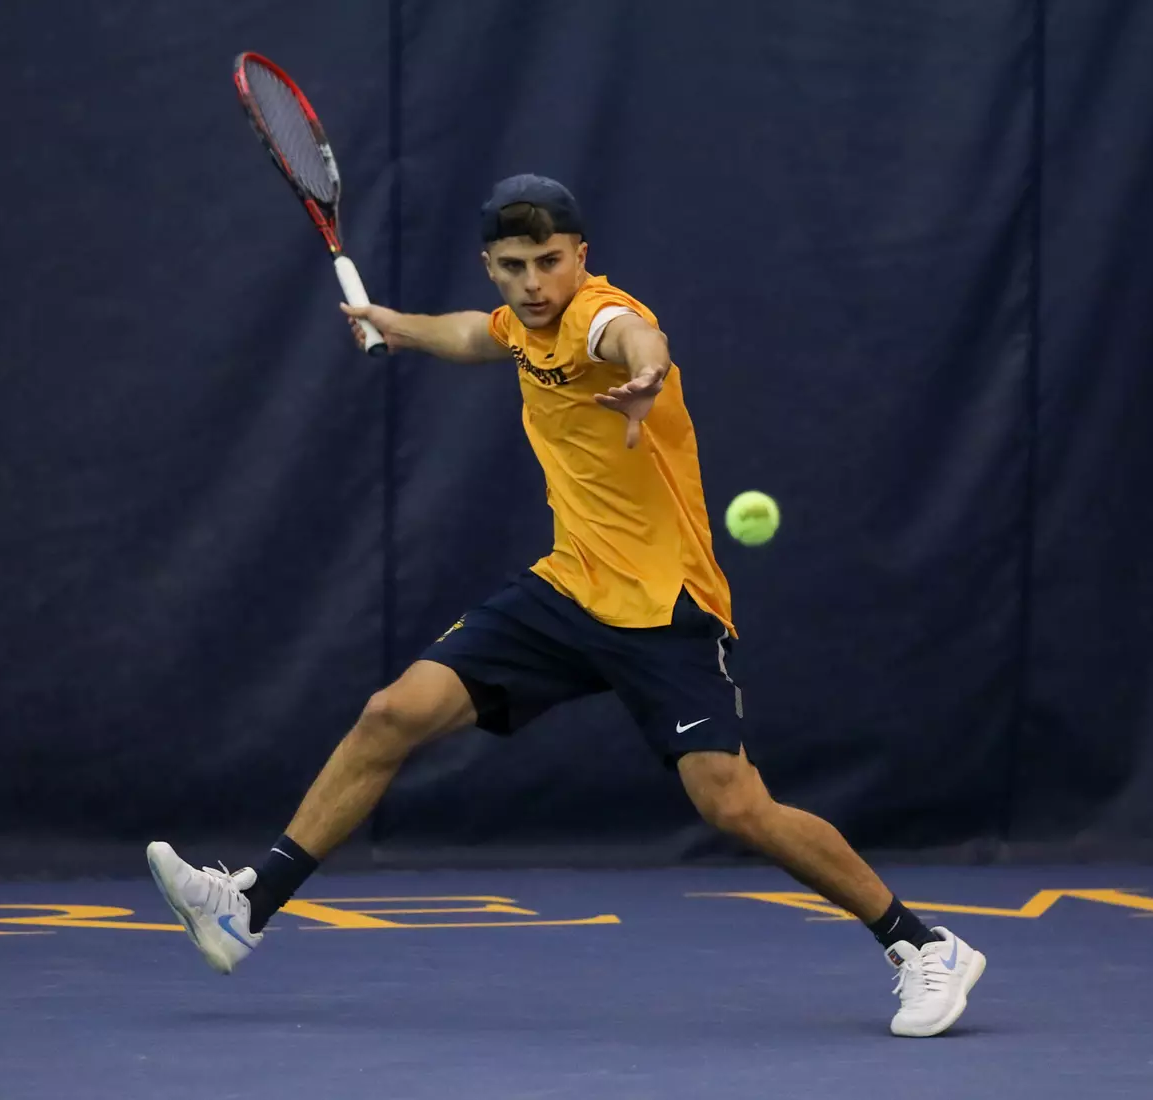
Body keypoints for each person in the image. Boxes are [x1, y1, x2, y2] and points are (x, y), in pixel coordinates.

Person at [146, 174, 985, 1037]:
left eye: (551, 261)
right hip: (568, 586)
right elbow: (480, 335)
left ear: (582, 257)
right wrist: (401, 327)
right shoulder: (518, 321)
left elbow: (636, 336)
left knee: (734, 806)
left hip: (666, 605)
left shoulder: (597, 315)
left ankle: (923, 945)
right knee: (392, 713)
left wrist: (648, 373)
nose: (536, 282)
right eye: (515, 266)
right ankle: (246, 908)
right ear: (493, 267)